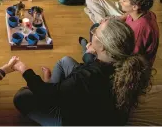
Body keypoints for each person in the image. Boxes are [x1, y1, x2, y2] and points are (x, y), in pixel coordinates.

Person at [12, 18, 152, 126]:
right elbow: (91, 72)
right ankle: (52, 84)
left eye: (95, 33)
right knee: (65, 61)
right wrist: (94, 54)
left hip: (79, 120)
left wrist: (24, 70)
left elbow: (47, 93)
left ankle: (51, 87)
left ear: (103, 46)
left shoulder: (85, 78)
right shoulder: (124, 63)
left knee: (22, 96)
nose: (93, 33)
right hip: (96, 104)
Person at [80, 0, 160, 66]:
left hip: (130, 65)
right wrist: (113, 19)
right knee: (95, 27)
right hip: (125, 46)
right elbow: (127, 16)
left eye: (124, 0)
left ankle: (88, 50)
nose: (120, 1)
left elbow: (128, 57)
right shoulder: (143, 12)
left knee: (88, 58)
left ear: (135, 7)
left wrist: (97, 49)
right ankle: (89, 47)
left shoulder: (140, 30)